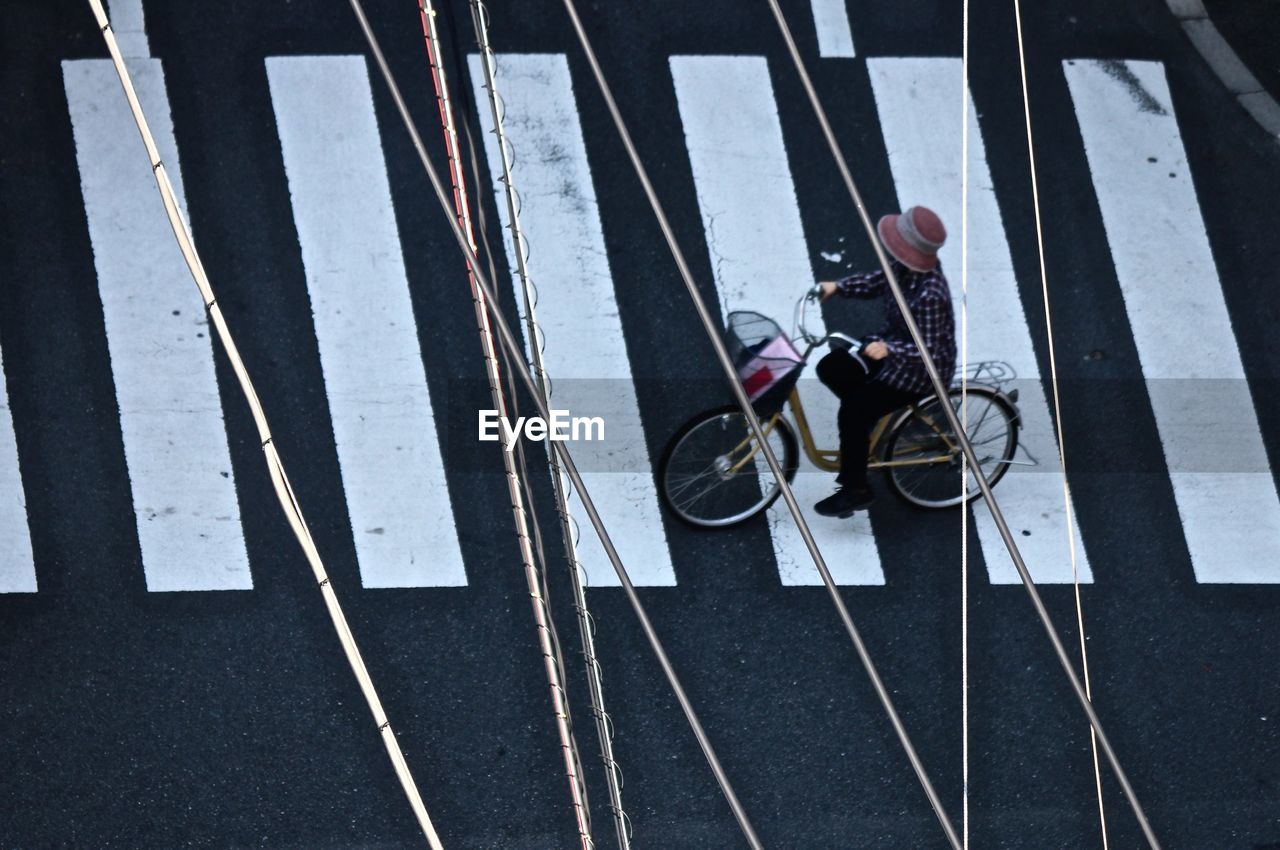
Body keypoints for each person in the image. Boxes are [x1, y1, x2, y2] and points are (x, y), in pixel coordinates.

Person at [812, 205, 957, 518]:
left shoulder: (931, 293)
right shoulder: (906, 269)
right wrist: (839, 287)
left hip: (919, 371)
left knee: (853, 412)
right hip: (892, 347)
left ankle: (856, 489)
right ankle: (866, 430)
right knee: (831, 366)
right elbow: (879, 281)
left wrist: (891, 350)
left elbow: (930, 351)